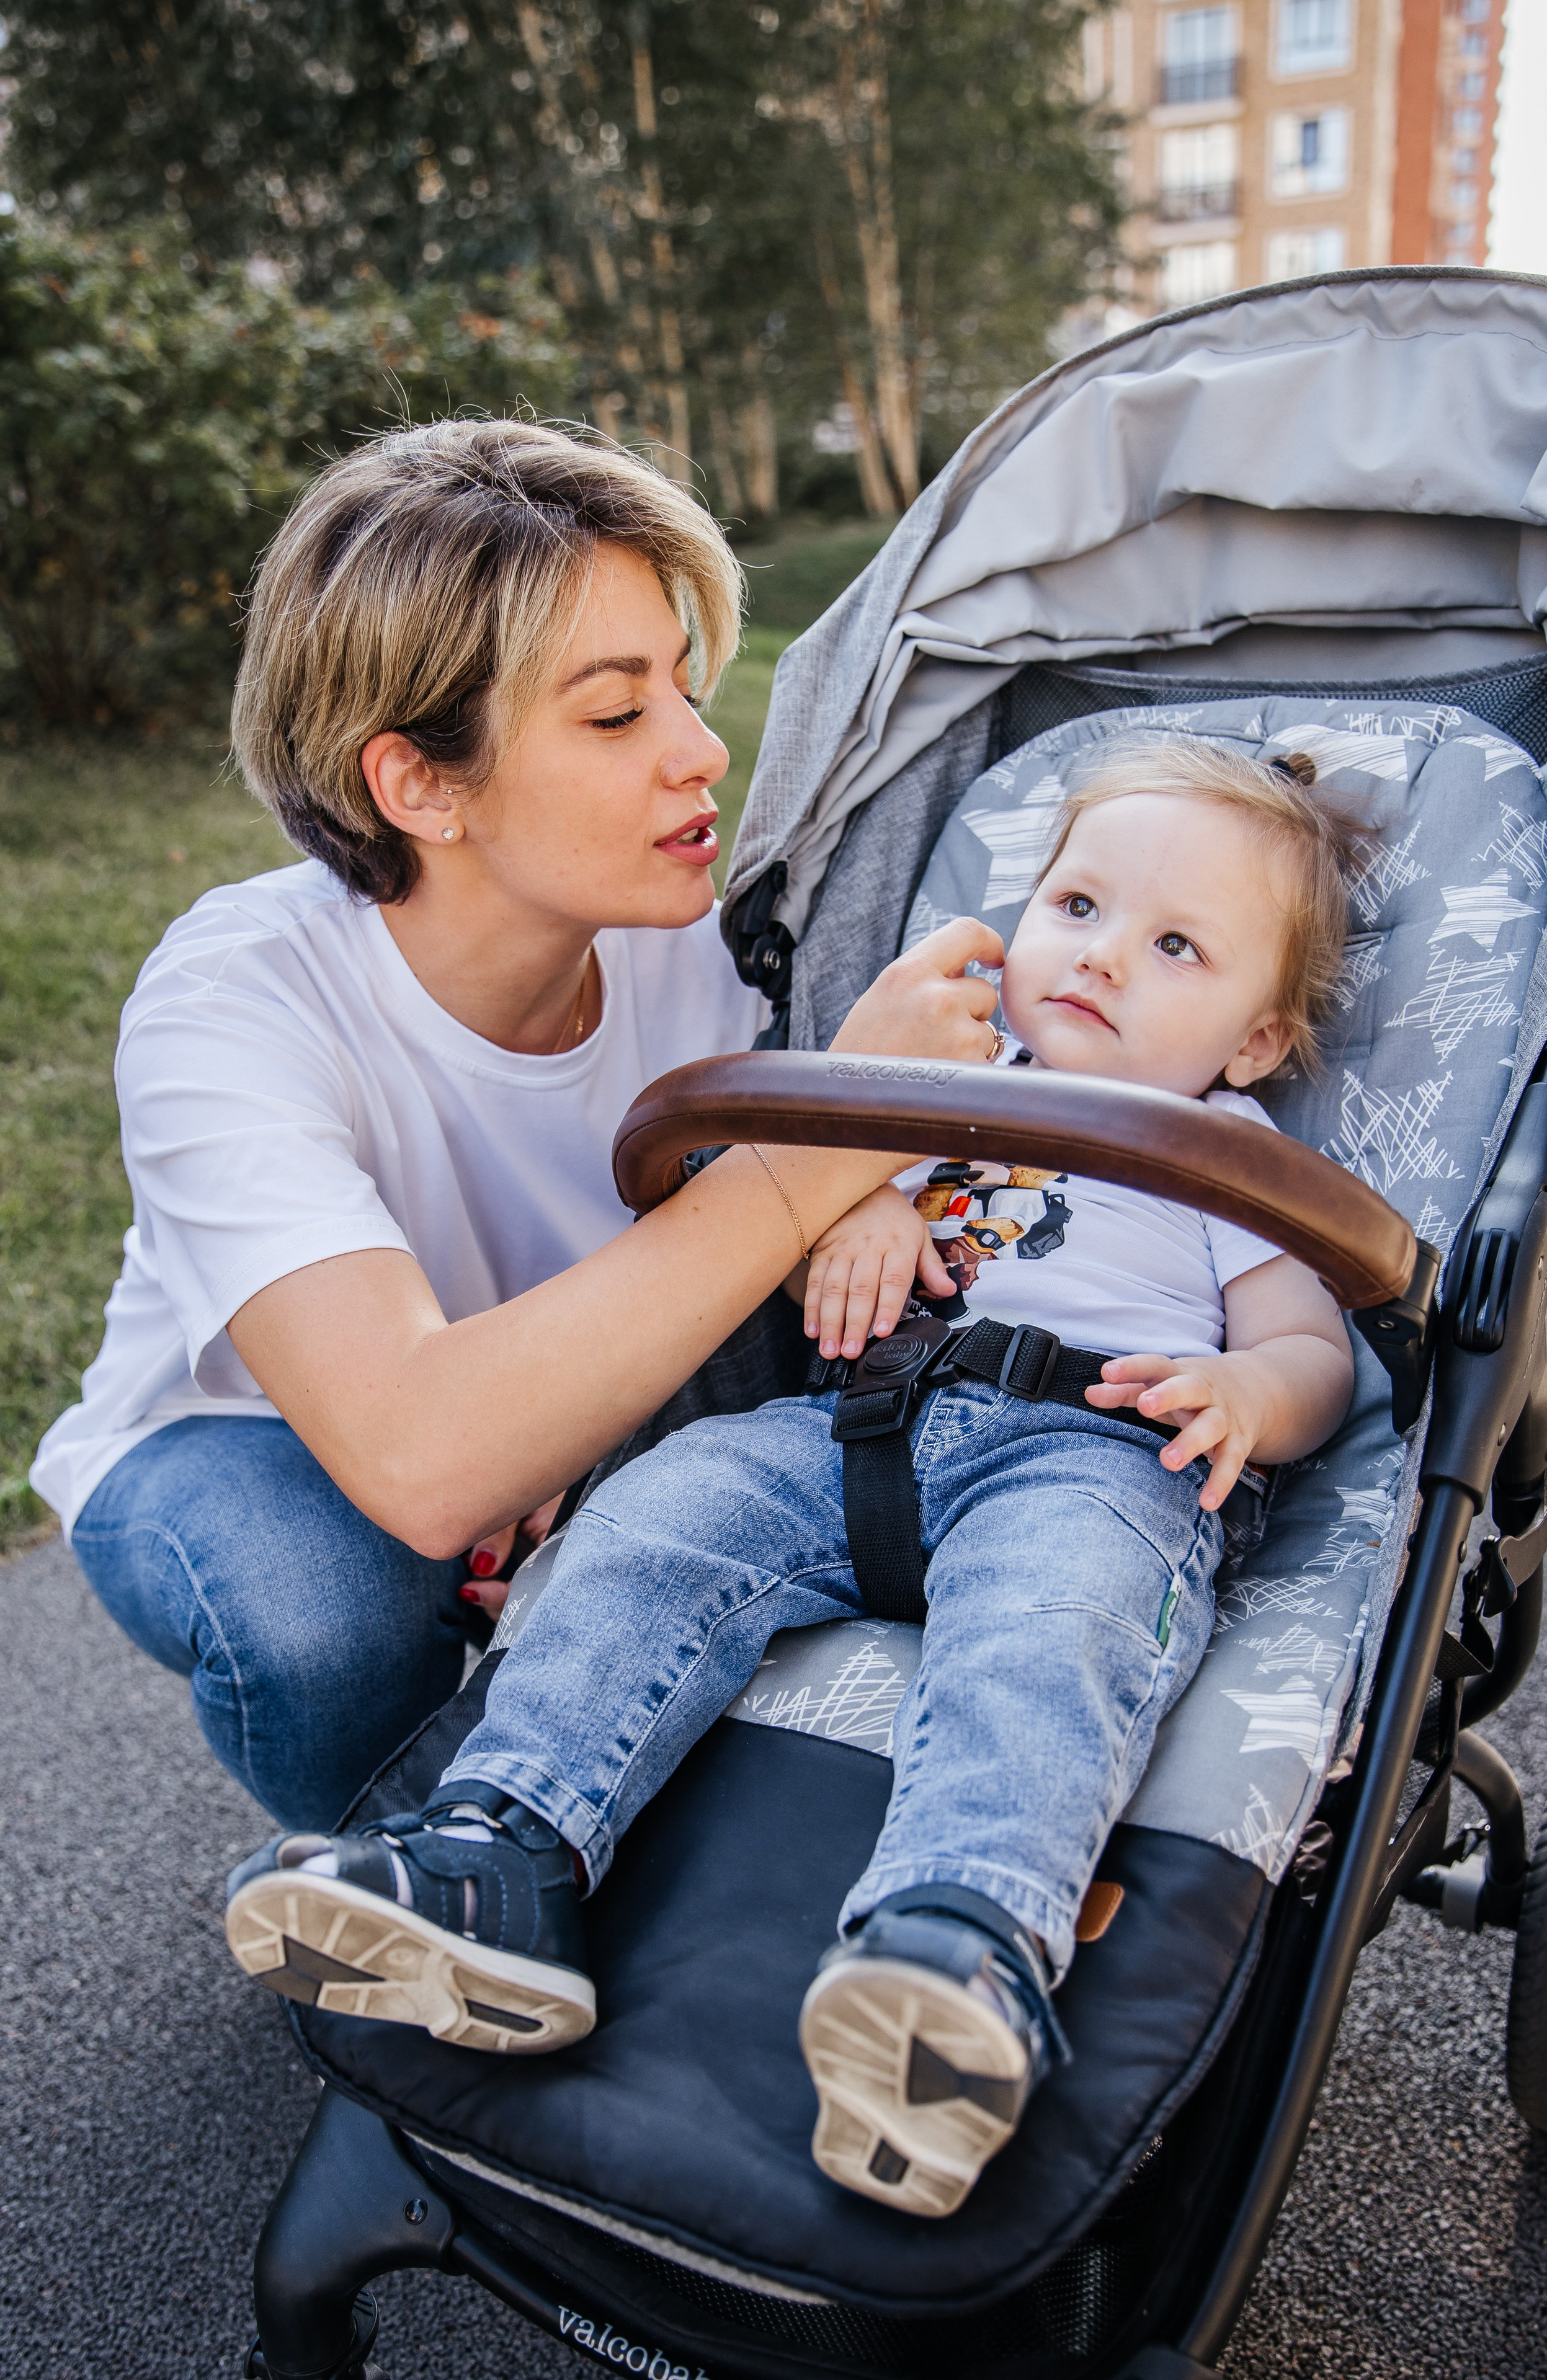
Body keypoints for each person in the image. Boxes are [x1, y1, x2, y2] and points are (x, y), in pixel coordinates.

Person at [225, 737, 1359, 2220]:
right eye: (1074, 906)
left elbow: (1312, 1348)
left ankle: (952, 1950)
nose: (1098, 960)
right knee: (657, 1517)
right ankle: (501, 1850)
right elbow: (811, 1200)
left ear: (1256, 1037)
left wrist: (1246, 1388)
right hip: (853, 1433)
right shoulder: (934, 1084)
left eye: (1172, 947)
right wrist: (853, 1213)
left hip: (1087, 1453)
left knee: (1052, 1636)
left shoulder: (1218, 1147)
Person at [30, 418, 1004, 1829]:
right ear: (417, 783)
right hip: (259, 1440)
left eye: (682, 684)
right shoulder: (232, 1004)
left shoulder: (719, 945)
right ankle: (393, 1865)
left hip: (568, 1395)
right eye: (616, 714)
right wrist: (831, 1138)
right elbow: (425, 1461)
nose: (698, 750)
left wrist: (855, 1177)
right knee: (326, 1611)